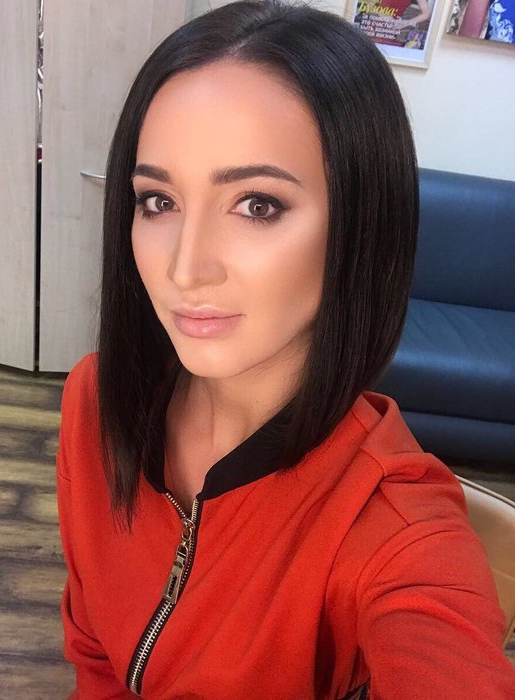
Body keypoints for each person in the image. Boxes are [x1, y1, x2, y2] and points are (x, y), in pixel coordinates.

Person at [55, 1, 515, 698]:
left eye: (257, 205)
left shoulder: (395, 528)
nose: (185, 269)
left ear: (359, 226)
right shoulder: (97, 399)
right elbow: (94, 653)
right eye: (158, 201)